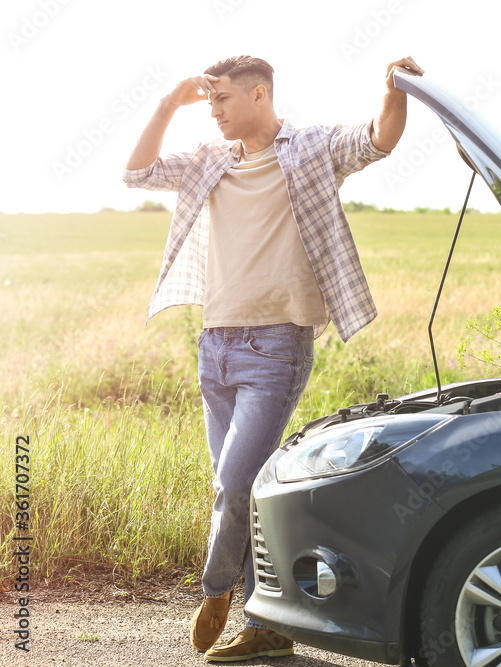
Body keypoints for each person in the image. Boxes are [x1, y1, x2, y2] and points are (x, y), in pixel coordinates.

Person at [123, 54, 423, 662]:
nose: (214, 111)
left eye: (223, 100)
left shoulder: (311, 148)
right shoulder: (210, 158)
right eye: (209, 102)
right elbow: (138, 173)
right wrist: (168, 103)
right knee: (250, 493)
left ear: (260, 95)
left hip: (277, 345)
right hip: (216, 345)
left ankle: (216, 589)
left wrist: (395, 91)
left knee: (233, 487)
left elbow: (378, 140)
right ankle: (269, 628)